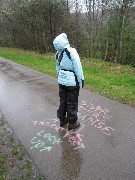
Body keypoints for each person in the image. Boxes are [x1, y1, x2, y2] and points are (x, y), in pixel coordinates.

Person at [53, 33, 84, 130]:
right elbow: (77, 67)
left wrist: (61, 76)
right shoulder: (72, 51)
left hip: (61, 81)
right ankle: (72, 123)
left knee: (63, 101)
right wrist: (81, 80)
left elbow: (57, 67)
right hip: (72, 83)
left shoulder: (58, 53)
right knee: (72, 102)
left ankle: (62, 120)